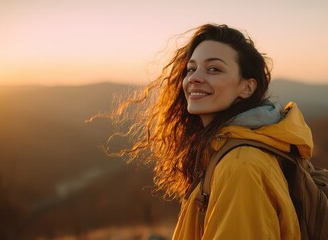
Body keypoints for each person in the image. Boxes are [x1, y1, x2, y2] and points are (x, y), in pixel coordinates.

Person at [109, 24, 313, 239]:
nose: (194, 78)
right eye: (191, 69)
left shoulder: (242, 164)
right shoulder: (228, 151)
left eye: (214, 69)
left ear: (247, 88)